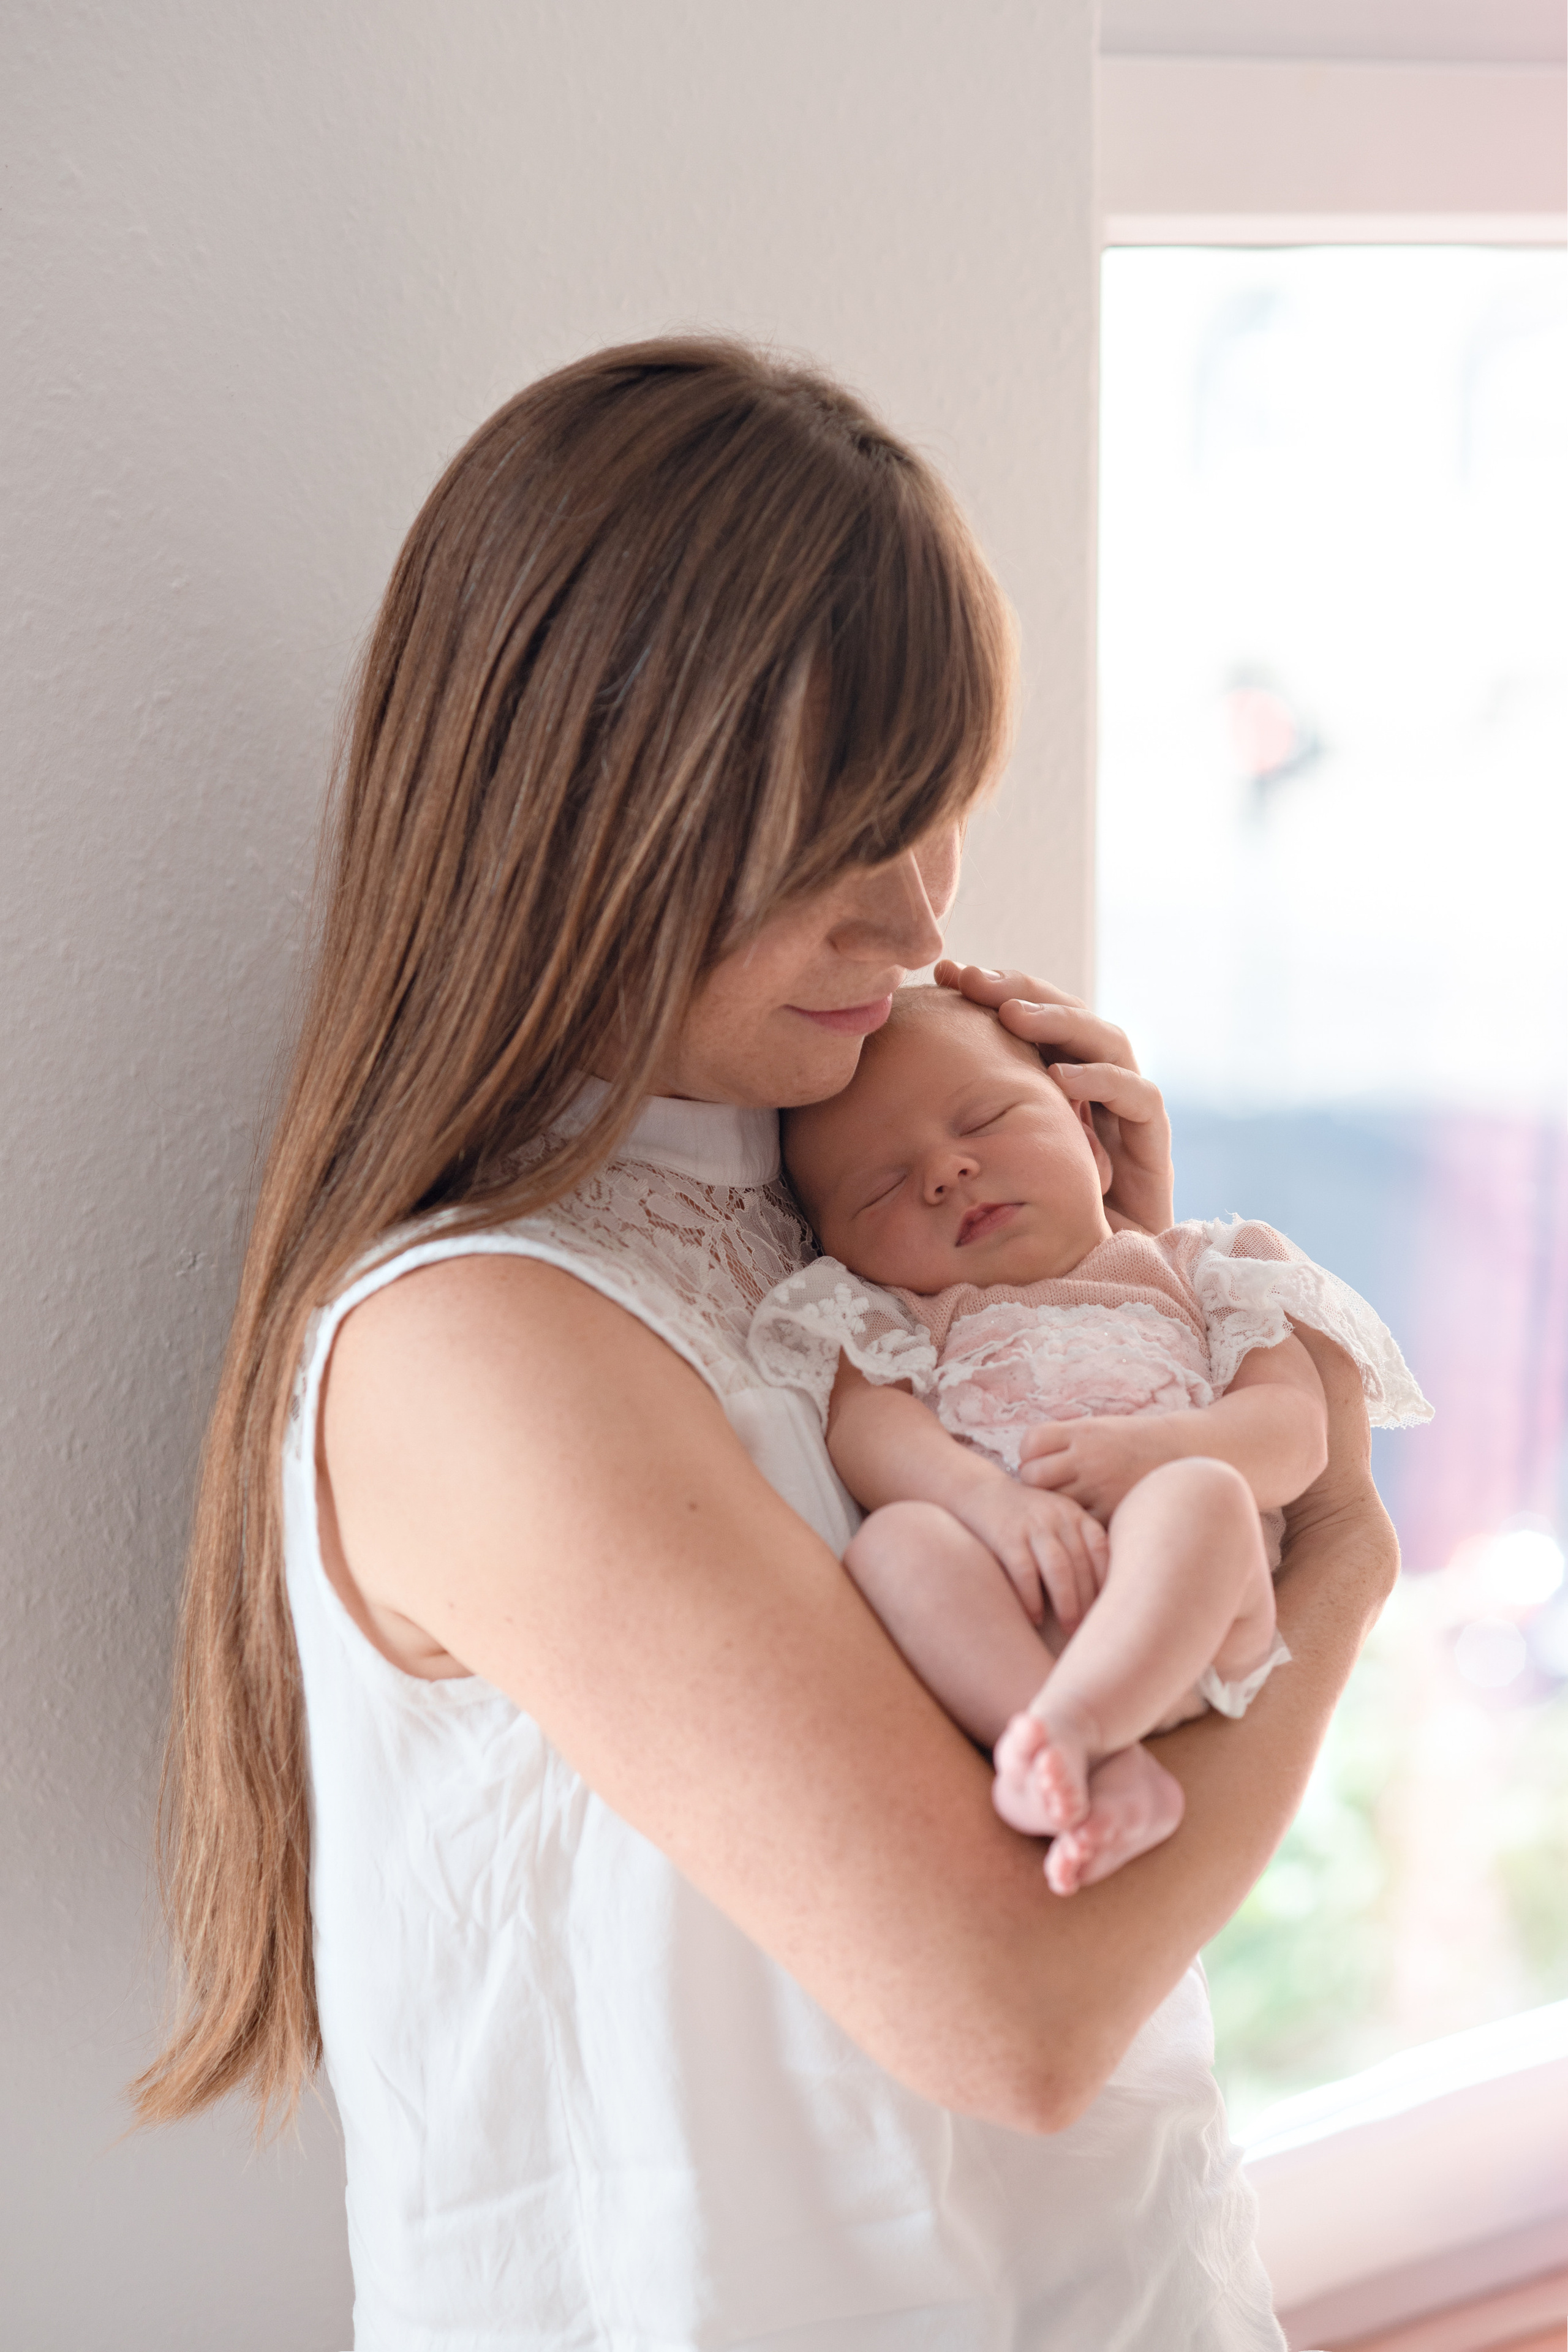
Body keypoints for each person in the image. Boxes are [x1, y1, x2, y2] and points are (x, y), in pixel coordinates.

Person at [136, 337, 1399, 2350]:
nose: (912, 924)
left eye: (938, 819)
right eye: (835, 847)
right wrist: (1335, 1555)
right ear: (591, 818)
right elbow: (1021, 2009)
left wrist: (1110, 1296)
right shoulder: (487, 1342)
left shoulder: (821, 1205)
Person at [750, 984, 1429, 1897]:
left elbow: (1293, 1433)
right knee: (897, 1543)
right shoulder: (902, 1316)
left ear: (1088, 1129)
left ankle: (1070, 1727)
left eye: (985, 1120)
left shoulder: (1193, 1269)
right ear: (835, 1246)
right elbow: (869, 1428)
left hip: (1192, 1616)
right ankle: (1088, 1762)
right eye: (879, 1188)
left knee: (1201, 1495)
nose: (946, 1172)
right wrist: (986, 1501)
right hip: (1008, 1622)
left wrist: (1162, 1452)